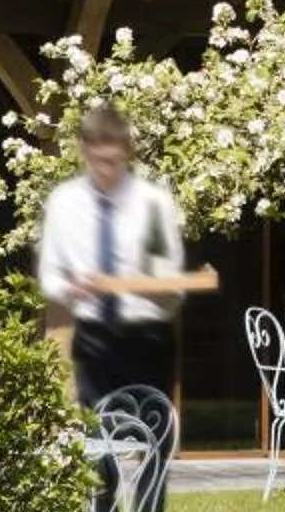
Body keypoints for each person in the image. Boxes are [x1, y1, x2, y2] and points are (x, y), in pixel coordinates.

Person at [35, 103, 187, 406]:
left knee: (152, 438)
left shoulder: (152, 204)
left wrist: (141, 283)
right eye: (98, 161)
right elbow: (49, 276)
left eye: (113, 162)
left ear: (127, 152)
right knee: (98, 441)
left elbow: (169, 278)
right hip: (93, 338)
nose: (105, 170)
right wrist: (72, 288)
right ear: (83, 150)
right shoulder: (64, 203)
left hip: (148, 336)